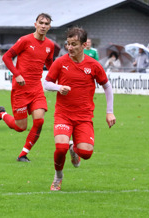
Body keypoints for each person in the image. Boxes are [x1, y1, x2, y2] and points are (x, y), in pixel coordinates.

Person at [43, 27, 116, 191]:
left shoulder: (94, 65)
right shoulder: (60, 62)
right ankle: (58, 177)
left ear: (84, 45)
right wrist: (58, 87)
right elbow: (46, 83)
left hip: (84, 117)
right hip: (63, 114)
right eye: (68, 44)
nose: (70, 47)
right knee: (60, 147)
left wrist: (109, 111)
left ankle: (74, 149)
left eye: (74, 44)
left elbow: (107, 87)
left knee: (86, 154)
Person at [0, 13, 55, 162]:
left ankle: (23, 154)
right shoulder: (25, 40)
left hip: (36, 88)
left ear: (49, 26)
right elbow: (6, 57)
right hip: (21, 89)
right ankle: (1, 114)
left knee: (39, 121)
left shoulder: (50, 45)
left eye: (46, 24)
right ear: (35, 24)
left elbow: (51, 65)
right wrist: (17, 74)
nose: (43, 26)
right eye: (41, 23)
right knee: (20, 127)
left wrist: (59, 79)